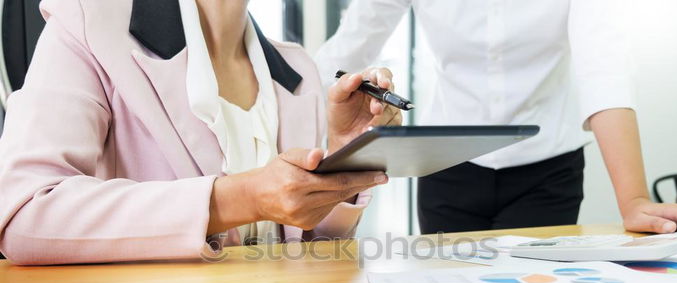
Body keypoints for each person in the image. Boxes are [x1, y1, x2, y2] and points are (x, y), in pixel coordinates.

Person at [0, 0, 401, 265]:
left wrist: (343, 166)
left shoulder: (299, 71)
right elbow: (25, 212)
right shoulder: (88, 22)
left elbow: (307, 252)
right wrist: (239, 199)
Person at [315, 0, 677, 235]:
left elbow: (604, 69)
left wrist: (633, 199)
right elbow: (345, 51)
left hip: (547, 167)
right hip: (447, 166)